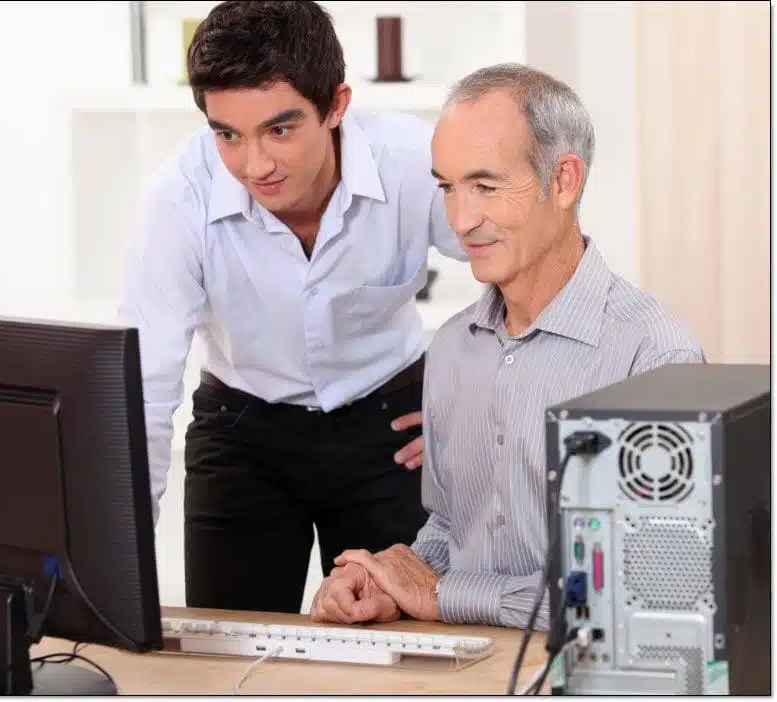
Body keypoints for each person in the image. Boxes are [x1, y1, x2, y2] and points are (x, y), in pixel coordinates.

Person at [309, 63, 706, 630]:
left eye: (486, 186)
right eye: (447, 187)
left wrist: (445, 594)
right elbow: (449, 529)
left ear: (564, 181)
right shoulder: (450, 349)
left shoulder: (654, 357)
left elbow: (654, 594)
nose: (461, 219)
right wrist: (386, 582)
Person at [117, 0, 466, 614]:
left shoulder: (414, 161)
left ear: (336, 106)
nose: (255, 166)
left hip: (389, 427)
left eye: (279, 129)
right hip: (241, 431)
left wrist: (474, 402)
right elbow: (143, 388)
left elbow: (519, 266)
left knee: (405, 649)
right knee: (227, 651)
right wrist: (114, 562)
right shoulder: (179, 198)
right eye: (227, 134)